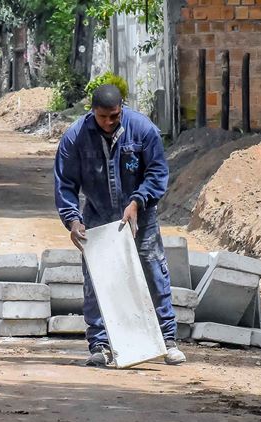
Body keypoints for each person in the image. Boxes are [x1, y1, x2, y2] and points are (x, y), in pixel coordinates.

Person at [54, 83, 186, 367]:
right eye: (103, 117)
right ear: (93, 112)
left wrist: (138, 201)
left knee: (152, 270)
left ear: (121, 109)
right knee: (97, 279)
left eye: (114, 116)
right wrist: (72, 220)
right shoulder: (75, 138)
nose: (109, 122)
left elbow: (157, 172)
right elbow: (65, 185)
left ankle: (167, 340)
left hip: (140, 215)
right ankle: (100, 344)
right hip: (98, 216)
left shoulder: (143, 130)